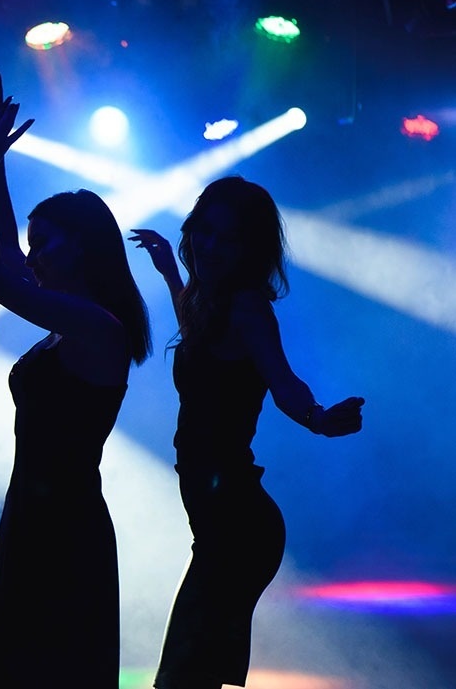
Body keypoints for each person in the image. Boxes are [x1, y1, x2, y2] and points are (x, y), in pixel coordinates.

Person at [129, 176, 364, 689]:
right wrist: (172, 272)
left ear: (249, 248)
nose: (210, 246)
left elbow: (282, 381)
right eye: (205, 232)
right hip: (221, 524)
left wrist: (318, 418)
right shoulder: (214, 303)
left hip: (237, 527)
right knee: (188, 675)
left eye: (227, 238)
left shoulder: (247, 308)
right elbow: (198, 337)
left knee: (182, 677)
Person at [0, 73, 152, 688]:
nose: (34, 254)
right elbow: (9, 263)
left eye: (45, 244)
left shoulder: (101, 328)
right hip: (37, 516)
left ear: (82, 248)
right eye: (34, 244)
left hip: (64, 528)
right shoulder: (71, 324)